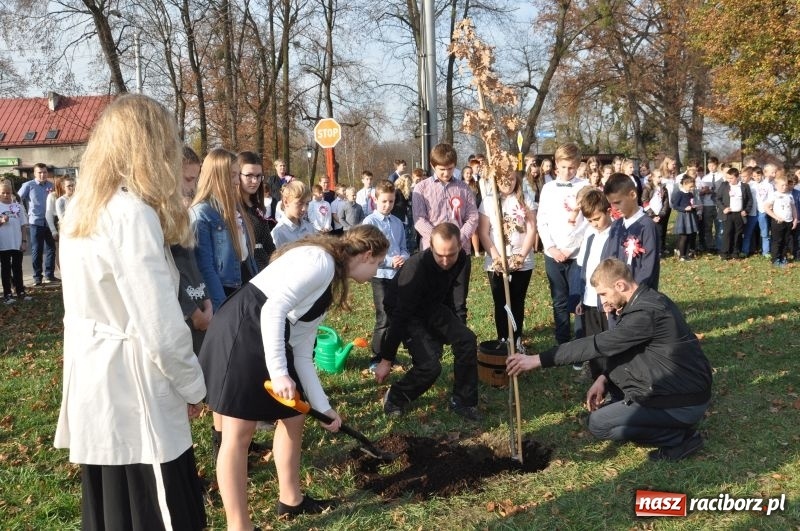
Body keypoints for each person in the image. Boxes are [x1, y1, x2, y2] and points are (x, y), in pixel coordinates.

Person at [54, 94, 207, 529]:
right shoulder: (129, 214)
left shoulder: (83, 209)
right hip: (135, 386)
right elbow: (159, 324)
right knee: (155, 510)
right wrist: (193, 386)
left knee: (114, 508)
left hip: (99, 382)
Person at [199, 225, 389, 527]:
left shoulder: (329, 280)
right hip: (243, 330)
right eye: (378, 263)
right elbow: (273, 309)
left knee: (294, 416)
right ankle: (240, 525)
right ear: (367, 254)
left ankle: (291, 500)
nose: (377, 271)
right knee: (238, 435)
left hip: (266, 332)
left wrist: (323, 407)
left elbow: (301, 351)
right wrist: (278, 373)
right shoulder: (321, 263)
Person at [507, 258, 712, 462]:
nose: (603, 301)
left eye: (604, 294)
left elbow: (597, 344)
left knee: (598, 423)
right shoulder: (646, 300)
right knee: (610, 414)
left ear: (620, 285)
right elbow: (627, 348)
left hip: (683, 400)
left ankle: (679, 438)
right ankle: (666, 422)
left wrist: (537, 360)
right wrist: (604, 378)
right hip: (682, 389)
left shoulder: (646, 314)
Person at [374, 222, 480, 421]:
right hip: (406, 310)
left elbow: (456, 299)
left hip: (432, 305)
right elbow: (400, 316)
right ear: (430, 247)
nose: (446, 261)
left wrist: (454, 329)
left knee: (466, 339)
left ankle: (463, 401)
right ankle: (395, 397)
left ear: (460, 247)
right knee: (430, 366)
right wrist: (386, 359)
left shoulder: (462, 260)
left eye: (451, 254)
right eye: (440, 255)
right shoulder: (415, 268)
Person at [412, 143, 479, 324]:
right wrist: (438, 241)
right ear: (433, 166)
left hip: (460, 252)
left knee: (459, 303)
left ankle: (461, 344)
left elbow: (472, 217)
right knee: (433, 300)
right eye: (442, 169)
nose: (446, 173)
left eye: (450, 169)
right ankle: (434, 344)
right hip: (432, 253)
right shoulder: (422, 189)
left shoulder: (464, 189)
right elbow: (419, 220)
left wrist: (458, 240)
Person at [191, 148, 258, 312]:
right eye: (232, 175)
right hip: (225, 290)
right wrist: (222, 307)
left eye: (237, 174)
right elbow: (206, 267)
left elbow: (247, 256)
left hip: (243, 283)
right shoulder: (203, 213)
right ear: (218, 176)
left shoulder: (234, 207)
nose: (237, 181)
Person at [536, 143, 588, 346]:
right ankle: (562, 341)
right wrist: (551, 247)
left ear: (578, 165)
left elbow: (587, 224)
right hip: (553, 254)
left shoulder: (584, 187)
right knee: (559, 299)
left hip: (577, 254)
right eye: (564, 167)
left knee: (578, 298)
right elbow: (542, 220)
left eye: (572, 167)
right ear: (557, 165)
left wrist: (570, 248)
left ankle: (579, 342)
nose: (568, 171)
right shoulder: (548, 189)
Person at [477, 171, 537, 345]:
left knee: (517, 301)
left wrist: (521, 256)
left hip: (520, 260)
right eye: (503, 179)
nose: (507, 182)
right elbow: (483, 232)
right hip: (497, 262)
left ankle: (516, 339)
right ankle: (503, 339)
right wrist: (497, 258)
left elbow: (531, 229)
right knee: (501, 302)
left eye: (511, 179)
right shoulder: (488, 201)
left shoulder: (525, 198)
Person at [362, 180, 409, 371]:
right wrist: (390, 261)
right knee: (383, 316)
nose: (387, 205)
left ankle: (389, 355)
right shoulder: (369, 223)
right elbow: (368, 253)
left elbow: (405, 248)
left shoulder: (397, 222)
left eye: (390, 201)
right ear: (375, 200)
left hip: (397, 276)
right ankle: (376, 356)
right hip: (380, 274)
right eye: (383, 202)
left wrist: (404, 257)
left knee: (395, 316)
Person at [574, 188, 612, 376]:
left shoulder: (615, 236)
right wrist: (581, 298)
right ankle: (597, 376)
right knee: (594, 342)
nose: (594, 224)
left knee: (609, 341)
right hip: (589, 301)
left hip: (607, 301)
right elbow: (584, 268)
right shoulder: (589, 235)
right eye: (589, 221)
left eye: (597, 219)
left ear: (608, 211)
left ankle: (611, 377)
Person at [602, 173, 661, 287]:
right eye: (611, 203)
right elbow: (608, 259)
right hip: (616, 294)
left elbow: (649, 267)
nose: (613, 208)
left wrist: (632, 291)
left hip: (639, 296)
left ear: (632, 194)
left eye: (617, 202)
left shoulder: (647, 226)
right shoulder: (616, 226)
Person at [17, 163, 57, 285]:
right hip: (36, 222)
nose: (42, 174)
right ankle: (37, 277)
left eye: (44, 172)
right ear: (34, 173)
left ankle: (50, 275)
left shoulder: (52, 185)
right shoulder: (29, 185)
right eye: (39, 172)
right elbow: (17, 199)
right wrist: (23, 214)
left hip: (50, 222)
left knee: (51, 249)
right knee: (37, 250)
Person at [238, 151, 277, 271]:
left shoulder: (257, 208)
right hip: (245, 271)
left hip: (263, 268)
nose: (255, 181)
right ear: (237, 175)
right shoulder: (233, 209)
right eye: (249, 175)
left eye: (258, 176)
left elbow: (269, 245)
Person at [0, 179, 31, 303]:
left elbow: (23, 225)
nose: (6, 195)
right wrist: (2, 221)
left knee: (17, 268)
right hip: (3, 244)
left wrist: (24, 241)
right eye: (3, 193)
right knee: (6, 269)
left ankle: (20, 291)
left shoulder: (16, 206)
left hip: (17, 242)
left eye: (8, 192)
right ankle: (7, 294)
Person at [716, 167, 752, 261]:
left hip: (739, 214)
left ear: (737, 177)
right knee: (727, 233)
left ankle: (735, 253)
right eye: (728, 178)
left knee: (738, 234)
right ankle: (724, 253)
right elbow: (717, 199)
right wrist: (723, 208)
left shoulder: (744, 186)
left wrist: (746, 210)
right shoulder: (724, 185)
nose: (729, 180)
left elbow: (749, 200)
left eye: (731, 178)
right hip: (728, 214)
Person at [764, 173, 798, 266]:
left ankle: (783, 258)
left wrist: (795, 219)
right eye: (782, 185)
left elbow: (793, 208)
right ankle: (775, 259)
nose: (784, 187)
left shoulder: (789, 195)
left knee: (785, 241)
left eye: (786, 185)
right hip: (778, 222)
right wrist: (776, 217)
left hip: (788, 222)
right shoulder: (774, 195)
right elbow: (766, 208)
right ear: (776, 185)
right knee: (777, 241)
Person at [271, 181, 316, 248]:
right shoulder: (278, 233)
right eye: (300, 203)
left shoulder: (310, 228)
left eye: (307, 203)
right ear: (286, 202)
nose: (304, 209)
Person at [697, 156, 722, 254]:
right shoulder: (705, 178)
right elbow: (700, 192)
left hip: (718, 205)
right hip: (707, 204)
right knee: (707, 226)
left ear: (717, 165)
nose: (711, 167)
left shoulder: (721, 177)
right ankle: (710, 246)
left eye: (713, 165)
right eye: (709, 165)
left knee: (718, 226)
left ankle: (718, 244)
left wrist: (712, 191)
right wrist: (703, 192)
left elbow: (722, 190)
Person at [755, 164, 776, 257]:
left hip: (774, 212)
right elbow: (762, 199)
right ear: (765, 173)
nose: (774, 174)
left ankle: (772, 249)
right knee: (765, 232)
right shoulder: (762, 185)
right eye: (772, 172)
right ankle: (765, 251)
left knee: (774, 232)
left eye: (775, 172)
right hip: (763, 211)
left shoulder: (775, 183)